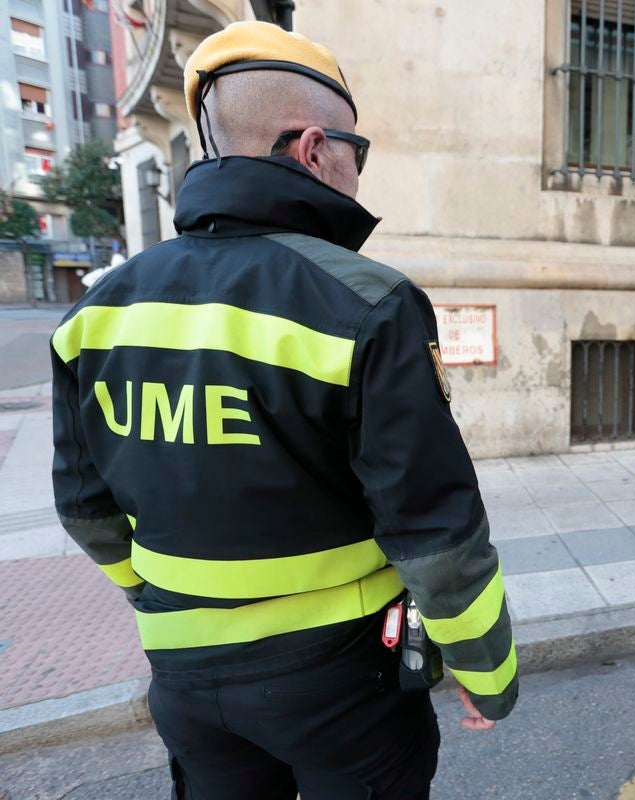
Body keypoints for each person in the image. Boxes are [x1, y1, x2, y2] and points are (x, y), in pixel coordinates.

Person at [49, 21, 516, 799]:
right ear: (311, 148)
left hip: (183, 679)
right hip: (342, 679)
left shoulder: (97, 311)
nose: (357, 173)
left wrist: (158, 597)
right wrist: (486, 673)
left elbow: (83, 508)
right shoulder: (369, 303)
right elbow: (434, 528)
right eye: (354, 151)